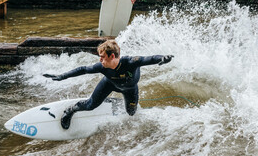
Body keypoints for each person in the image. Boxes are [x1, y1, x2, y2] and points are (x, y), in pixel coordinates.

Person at [43, 40, 174, 130]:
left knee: (131, 112)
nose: (100, 60)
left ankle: (111, 101)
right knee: (90, 106)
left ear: (112, 56)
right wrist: (61, 76)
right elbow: (83, 69)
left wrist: (162, 58)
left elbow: (149, 59)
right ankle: (70, 110)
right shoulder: (102, 67)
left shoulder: (130, 62)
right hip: (109, 84)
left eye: (102, 56)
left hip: (130, 89)